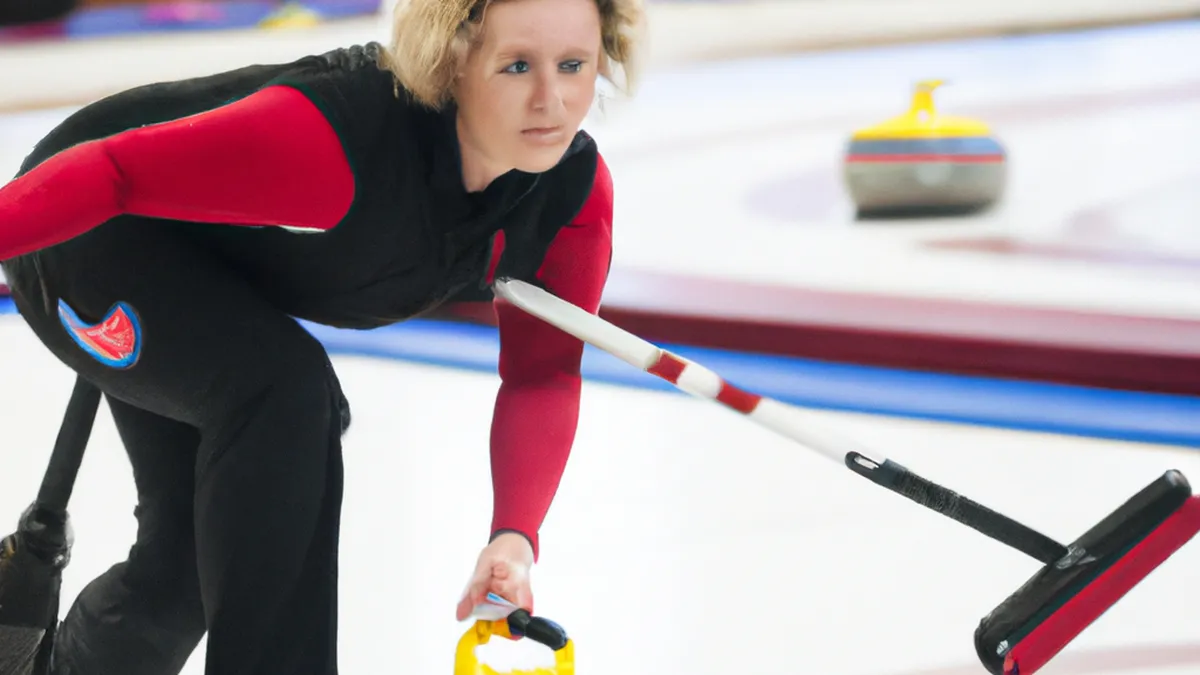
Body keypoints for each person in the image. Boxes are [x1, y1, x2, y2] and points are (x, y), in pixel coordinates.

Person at [0, 0, 644, 670]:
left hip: (208, 270)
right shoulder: (336, 145)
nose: (551, 99)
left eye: (574, 66)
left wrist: (514, 535)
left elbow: (542, 373)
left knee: (191, 560)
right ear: (453, 60)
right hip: (81, 232)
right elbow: (114, 174)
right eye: (517, 66)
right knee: (286, 395)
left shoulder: (572, 196)